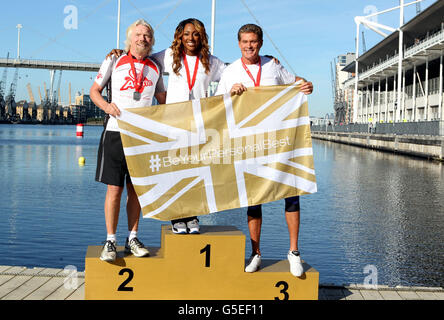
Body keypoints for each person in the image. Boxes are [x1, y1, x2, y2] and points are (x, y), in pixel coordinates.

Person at [106, 18, 227, 234]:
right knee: (175, 171)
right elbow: (140, 55)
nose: (191, 38)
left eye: (196, 34)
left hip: (199, 123)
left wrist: (264, 59)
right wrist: (120, 52)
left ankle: (192, 215)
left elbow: (233, 75)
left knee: (195, 171)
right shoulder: (170, 55)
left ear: (202, 37)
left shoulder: (212, 61)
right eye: (187, 33)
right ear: (180, 35)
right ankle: (176, 216)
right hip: (173, 123)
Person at [215, 23, 313, 277]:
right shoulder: (230, 71)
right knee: (253, 199)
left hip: (278, 141)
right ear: (239, 44)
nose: (249, 46)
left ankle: (293, 252)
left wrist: (306, 85)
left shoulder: (272, 65)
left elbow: (295, 83)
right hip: (249, 144)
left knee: (291, 193)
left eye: (254, 41)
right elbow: (215, 105)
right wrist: (231, 94)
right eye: (245, 42)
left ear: (260, 43)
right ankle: (256, 253)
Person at [90, 19, 166, 262]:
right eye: (138, 34)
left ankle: (132, 237)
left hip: (142, 137)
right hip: (115, 132)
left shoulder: (155, 67)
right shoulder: (114, 59)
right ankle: (110, 241)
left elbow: (164, 101)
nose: (142, 38)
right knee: (115, 189)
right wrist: (106, 106)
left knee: (136, 191)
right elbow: (94, 91)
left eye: (147, 36)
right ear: (130, 38)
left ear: (152, 41)